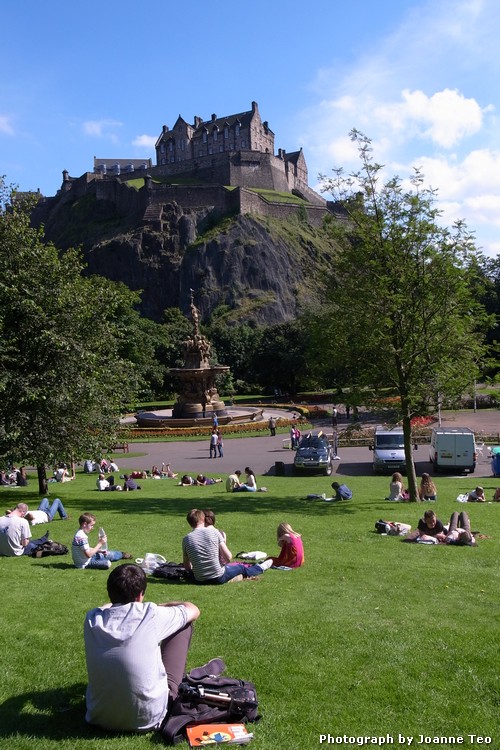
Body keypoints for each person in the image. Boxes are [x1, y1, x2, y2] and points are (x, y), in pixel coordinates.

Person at [83, 563, 200, 732]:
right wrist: (162, 605)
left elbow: (106, 606)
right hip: (150, 717)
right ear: (140, 596)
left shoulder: (92, 618)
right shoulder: (150, 614)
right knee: (184, 625)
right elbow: (193, 609)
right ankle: (172, 688)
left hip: (99, 716)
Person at [182, 509, 272, 584]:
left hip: (199, 580)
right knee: (241, 568)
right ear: (203, 518)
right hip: (218, 577)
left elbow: (187, 567)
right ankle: (261, 567)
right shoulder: (214, 532)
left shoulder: (186, 539)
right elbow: (228, 557)